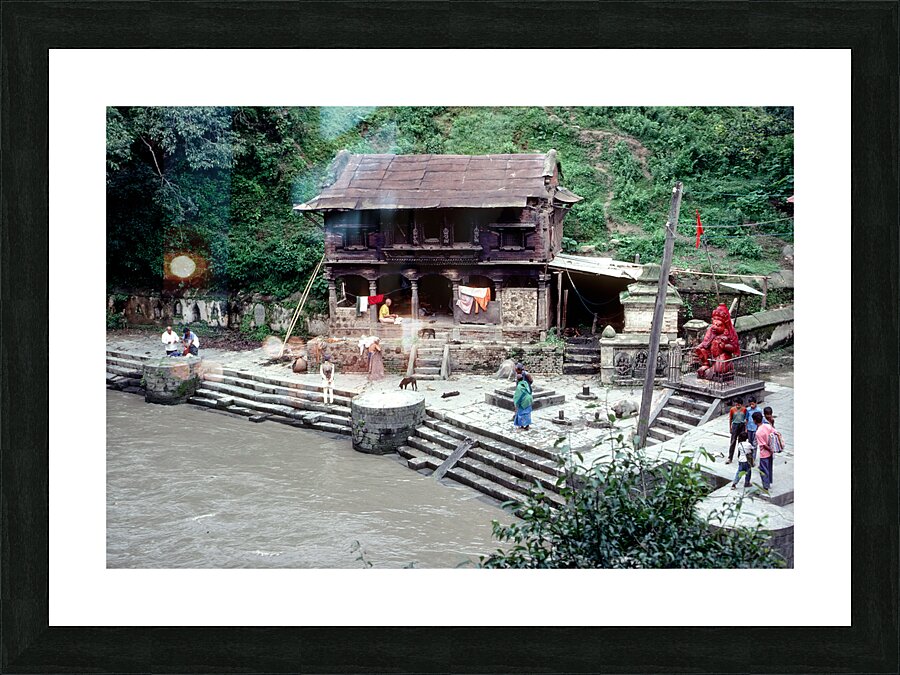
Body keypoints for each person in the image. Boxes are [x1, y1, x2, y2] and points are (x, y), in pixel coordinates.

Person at [752, 411, 775, 492]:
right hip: (771, 453)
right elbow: (775, 433)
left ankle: (766, 486)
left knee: (763, 470)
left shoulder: (758, 432)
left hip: (764, 453)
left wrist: (769, 449)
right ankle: (769, 482)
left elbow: (763, 445)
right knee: (769, 468)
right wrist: (773, 449)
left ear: (754, 420)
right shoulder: (767, 426)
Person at [726, 398, 747, 464]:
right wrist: (730, 428)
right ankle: (730, 457)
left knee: (741, 442)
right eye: (736, 404)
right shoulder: (732, 409)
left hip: (742, 425)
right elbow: (730, 419)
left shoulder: (744, 409)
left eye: (739, 404)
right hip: (735, 425)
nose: (738, 406)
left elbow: (746, 419)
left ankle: (740, 457)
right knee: (733, 442)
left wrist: (745, 429)